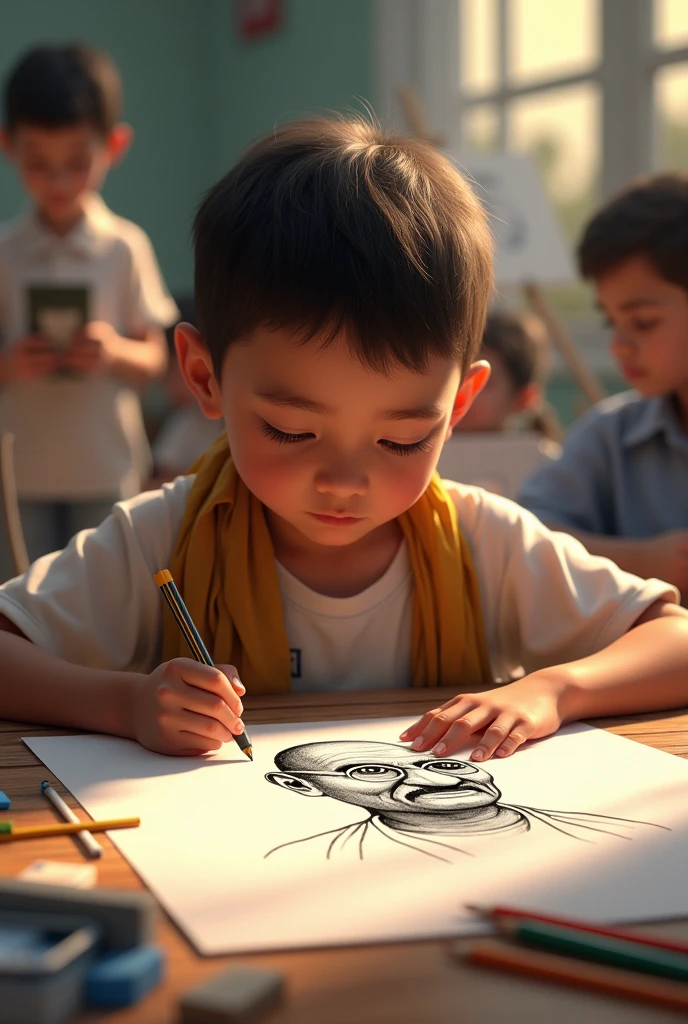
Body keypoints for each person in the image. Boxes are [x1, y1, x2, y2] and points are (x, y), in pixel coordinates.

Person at [0, 118, 687, 767]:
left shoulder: (486, 541)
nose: (343, 480)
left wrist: (555, 690)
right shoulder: (162, 540)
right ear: (205, 377)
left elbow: (675, 637)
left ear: (458, 408)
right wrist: (123, 701)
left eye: (402, 439)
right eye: (292, 430)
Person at [0, 44, 177, 575]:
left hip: (106, 466)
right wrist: (10, 366)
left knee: (103, 600)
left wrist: (114, 351)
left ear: (114, 146)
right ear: (8, 147)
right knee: (20, 605)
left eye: (76, 163)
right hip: (20, 472)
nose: (57, 181)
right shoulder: (5, 252)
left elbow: (157, 360)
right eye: (38, 163)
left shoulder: (125, 246)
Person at [518, 174, 688, 600]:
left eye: (643, 322)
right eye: (611, 321)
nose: (619, 344)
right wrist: (644, 561)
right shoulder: (612, 435)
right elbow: (522, 535)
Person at [264, 740, 665, 863]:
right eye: (370, 771)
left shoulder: (632, 834)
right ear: (301, 786)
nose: (437, 778)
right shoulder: (316, 861)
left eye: (445, 762)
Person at [148, 298, 223, 487]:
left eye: (168, 372)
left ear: (195, 364)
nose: (166, 388)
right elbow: (165, 478)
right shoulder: (187, 420)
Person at [453, 309, 561, 441]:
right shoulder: (424, 457)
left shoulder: (542, 459)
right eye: (455, 377)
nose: (460, 391)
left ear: (524, 398)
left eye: (482, 381)